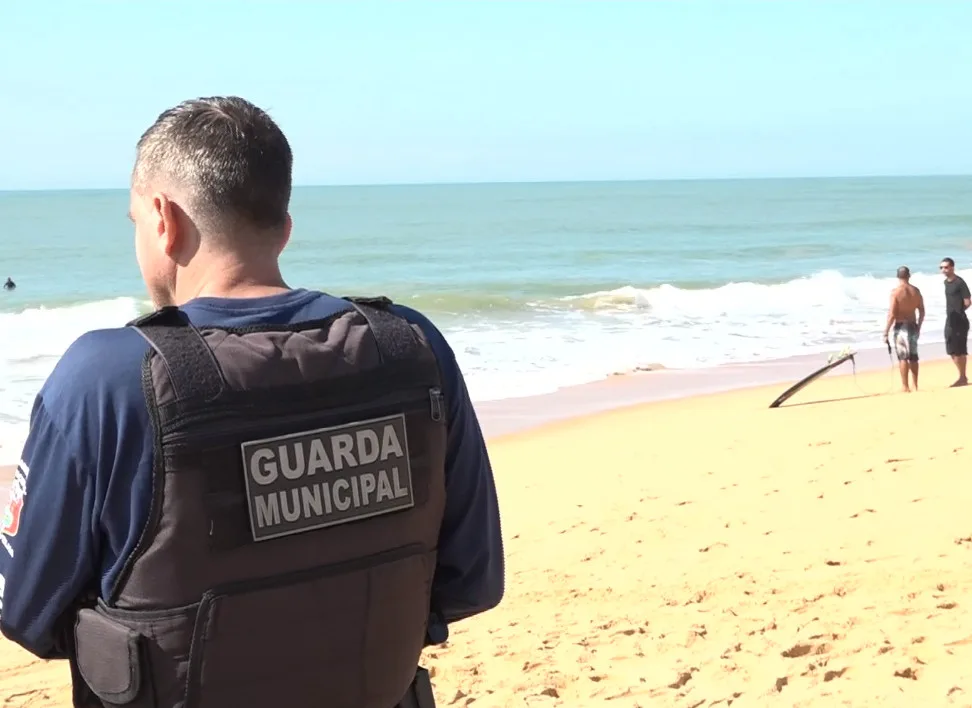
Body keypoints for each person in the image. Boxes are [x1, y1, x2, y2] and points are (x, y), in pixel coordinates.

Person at [0, 97, 504, 708]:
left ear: (164, 219)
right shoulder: (409, 347)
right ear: (284, 228)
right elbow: (470, 581)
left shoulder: (109, 376)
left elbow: (28, 610)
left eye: (133, 222)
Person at [882, 266, 925, 392]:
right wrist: (919, 325)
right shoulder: (915, 291)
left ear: (897, 276)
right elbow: (922, 310)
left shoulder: (896, 292)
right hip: (912, 326)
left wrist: (886, 332)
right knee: (913, 357)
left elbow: (892, 314)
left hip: (901, 327)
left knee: (903, 357)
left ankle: (905, 386)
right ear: (909, 276)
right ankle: (915, 385)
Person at [941, 257, 971, 387]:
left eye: (946, 267)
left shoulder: (960, 282)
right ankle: (962, 376)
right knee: (951, 348)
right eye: (941, 267)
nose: (943, 270)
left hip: (960, 321)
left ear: (952, 267)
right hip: (950, 320)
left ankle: (962, 377)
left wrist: (959, 310)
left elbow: (968, 301)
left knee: (960, 349)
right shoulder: (946, 283)